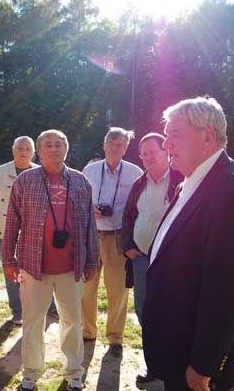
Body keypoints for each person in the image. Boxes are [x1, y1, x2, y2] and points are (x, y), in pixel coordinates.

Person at [143, 97, 234, 391]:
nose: (166, 145)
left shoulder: (231, 192)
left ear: (207, 137)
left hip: (197, 364)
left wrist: (204, 363)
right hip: (179, 346)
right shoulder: (196, 180)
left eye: (175, 135)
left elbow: (227, 291)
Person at [2, 129, 99, 391]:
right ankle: (31, 372)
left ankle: (74, 372)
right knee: (33, 322)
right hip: (34, 266)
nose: (54, 149)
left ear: (66, 149)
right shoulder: (25, 181)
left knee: (73, 322)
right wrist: (9, 260)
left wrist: (92, 261)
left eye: (58, 144)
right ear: (39, 151)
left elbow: (90, 225)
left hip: (71, 267)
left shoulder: (80, 181)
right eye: (48, 145)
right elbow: (12, 223)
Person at [121, 132, 183, 386]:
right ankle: (154, 367)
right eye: (143, 153)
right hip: (142, 260)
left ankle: (174, 367)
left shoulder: (181, 179)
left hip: (173, 264)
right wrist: (128, 246)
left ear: (166, 151)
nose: (147, 157)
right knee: (145, 313)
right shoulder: (139, 184)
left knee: (172, 314)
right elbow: (128, 217)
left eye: (152, 152)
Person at [81, 127, 143, 357]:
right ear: (104, 144)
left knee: (118, 291)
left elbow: (139, 205)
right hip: (92, 235)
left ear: (126, 148)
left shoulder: (135, 172)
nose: (115, 148)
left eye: (120, 145)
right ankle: (88, 331)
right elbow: (80, 198)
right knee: (87, 288)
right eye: (112, 143)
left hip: (118, 236)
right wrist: (90, 209)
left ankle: (115, 338)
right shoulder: (90, 169)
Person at [0, 136, 57, 325]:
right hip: (6, 231)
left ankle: (50, 307)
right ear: (13, 150)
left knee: (45, 269)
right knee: (11, 271)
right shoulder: (0, 173)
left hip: (36, 232)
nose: (23, 152)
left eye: (27, 149)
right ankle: (18, 311)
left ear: (33, 153)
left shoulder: (41, 172)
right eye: (20, 148)